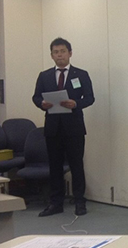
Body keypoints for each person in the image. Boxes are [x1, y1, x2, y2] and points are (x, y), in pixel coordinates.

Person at [32, 37, 95, 217]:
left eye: (63, 51)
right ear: (51, 55)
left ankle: (79, 201)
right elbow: (36, 97)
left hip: (74, 127)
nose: (59, 55)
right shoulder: (44, 75)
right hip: (53, 127)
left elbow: (90, 98)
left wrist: (76, 103)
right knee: (55, 166)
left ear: (70, 53)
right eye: (56, 52)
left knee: (76, 165)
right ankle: (56, 203)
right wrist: (42, 104)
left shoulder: (81, 74)